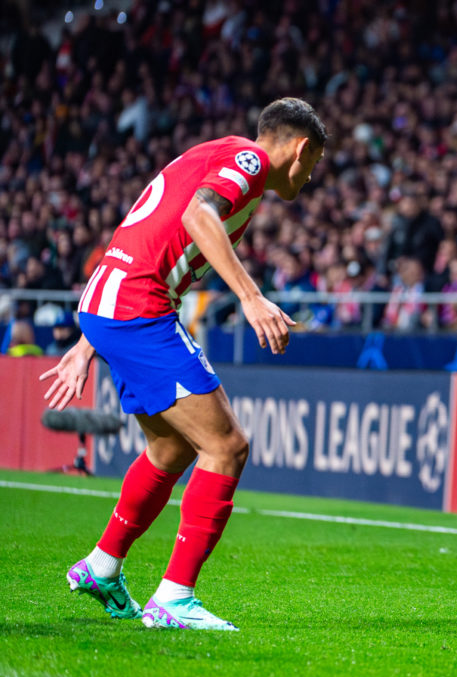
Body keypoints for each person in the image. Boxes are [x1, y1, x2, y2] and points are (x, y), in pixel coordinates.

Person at [39, 98, 326, 631]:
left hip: (111, 305)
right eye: (312, 166)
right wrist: (251, 296)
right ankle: (174, 597)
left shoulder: (219, 154)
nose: (309, 179)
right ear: (301, 149)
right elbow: (196, 215)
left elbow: (145, 229)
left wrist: (89, 338)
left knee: (170, 448)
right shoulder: (249, 163)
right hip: (139, 308)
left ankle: (103, 566)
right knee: (227, 445)